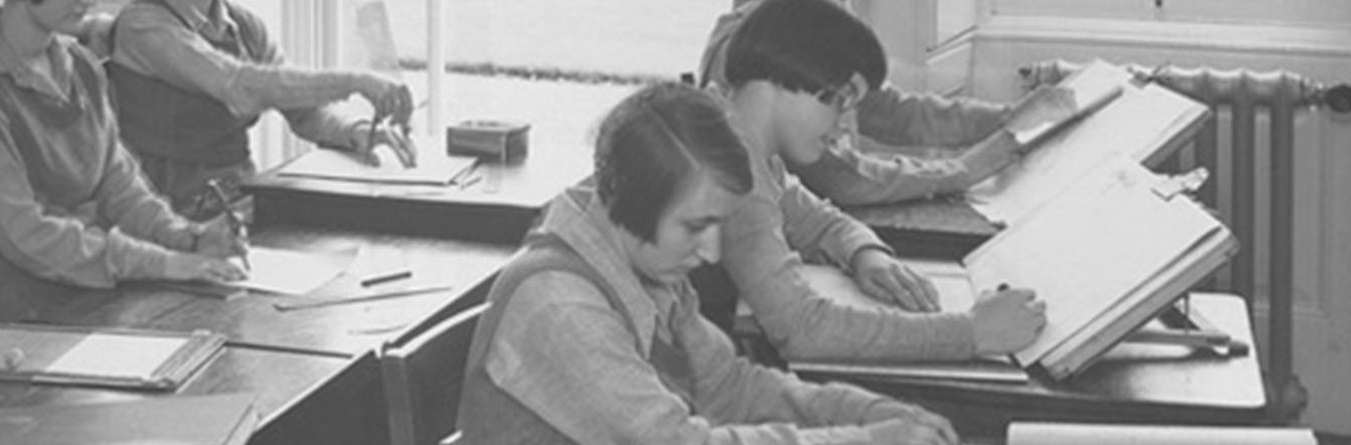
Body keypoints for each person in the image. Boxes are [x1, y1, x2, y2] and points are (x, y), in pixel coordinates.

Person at [459, 82, 959, 445]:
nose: (713, 253)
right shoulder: (559, 307)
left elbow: (727, 389)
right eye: (696, 227)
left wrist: (866, 411)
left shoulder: (642, 262)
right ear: (629, 200)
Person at [697, 0, 1047, 360]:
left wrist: (865, 253)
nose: (842, 126)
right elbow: (803, 329)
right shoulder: (732, 169)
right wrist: (971, 332)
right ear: (782, 79)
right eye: (838, 103)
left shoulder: (741, 135)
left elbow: (817, 221)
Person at [0, 0, 247, 340]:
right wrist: (164, 263)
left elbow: (119, 185)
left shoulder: (82, 66)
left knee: (223, 339)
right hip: (17, 324)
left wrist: (188, 238)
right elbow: (26, 235)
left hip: (96, 298)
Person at [699, 0, 1074, 206]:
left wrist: (1005, 117)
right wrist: (960, 170)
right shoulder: (766, 45)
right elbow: (842, 179)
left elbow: (888, 109)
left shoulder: (813, 16)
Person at [106, 0, 418, 218]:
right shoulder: (141, 24)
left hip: (240, 204)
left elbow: (305, 113)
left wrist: (354, 132)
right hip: (166, 215)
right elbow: (240, 87)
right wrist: (354, 81)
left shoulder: (245, 25)